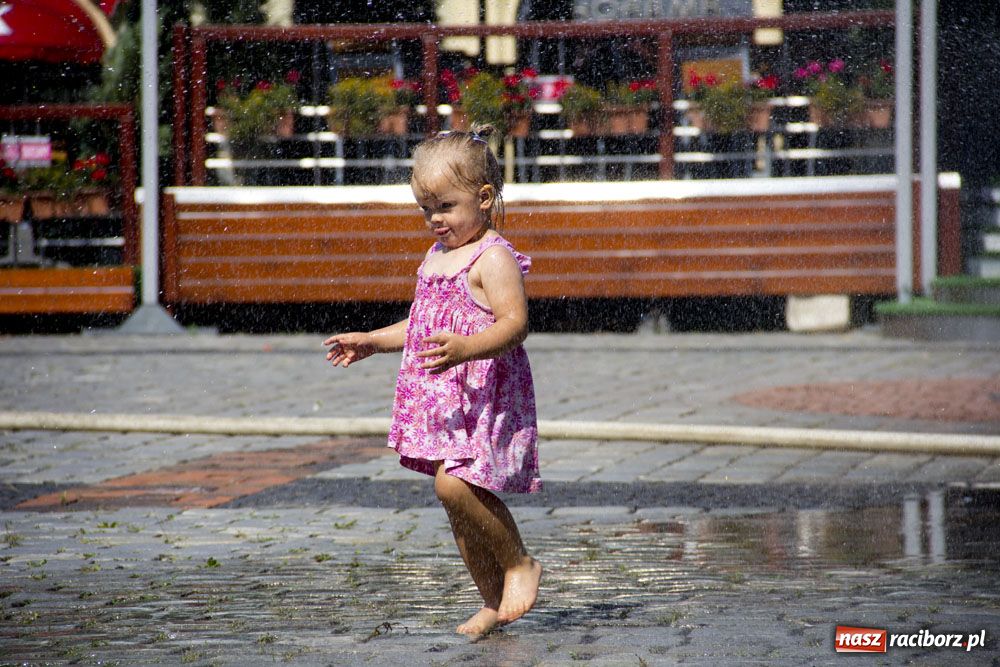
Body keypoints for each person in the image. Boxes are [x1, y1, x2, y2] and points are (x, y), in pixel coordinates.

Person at [323, 125, 542, 637]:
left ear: (484, 198)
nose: (434, 220)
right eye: (426, 209)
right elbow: (422, 325)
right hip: (445, 399)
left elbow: (515, 323)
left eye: (444, 206)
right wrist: (374, 340)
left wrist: (467, 346)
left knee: (454, 484)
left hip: (485, 394)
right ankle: (492, 601)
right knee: (456, 504)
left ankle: (519, 563)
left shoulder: (494, 257)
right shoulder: (435, 258)